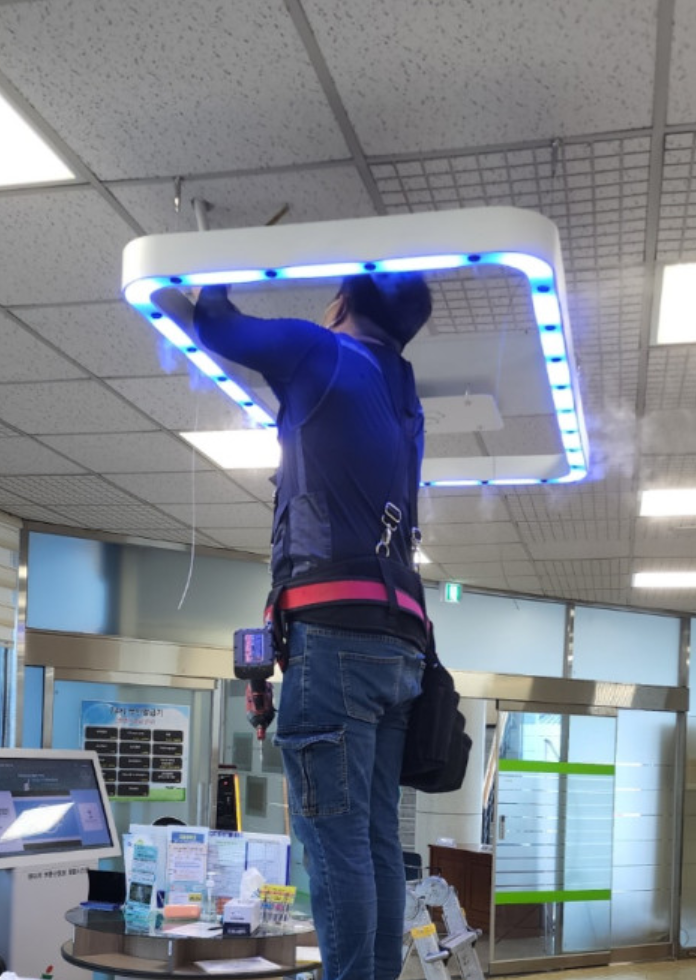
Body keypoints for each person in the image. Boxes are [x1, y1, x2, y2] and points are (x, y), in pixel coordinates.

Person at [190, 272, 433, 980]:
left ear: (342, 303)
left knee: (334, 843)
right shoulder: (405, 397)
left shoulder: (324, 353)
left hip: (336, 646)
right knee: (375, 837)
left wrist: (211, 264)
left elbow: (219, 327)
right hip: (399, 645)